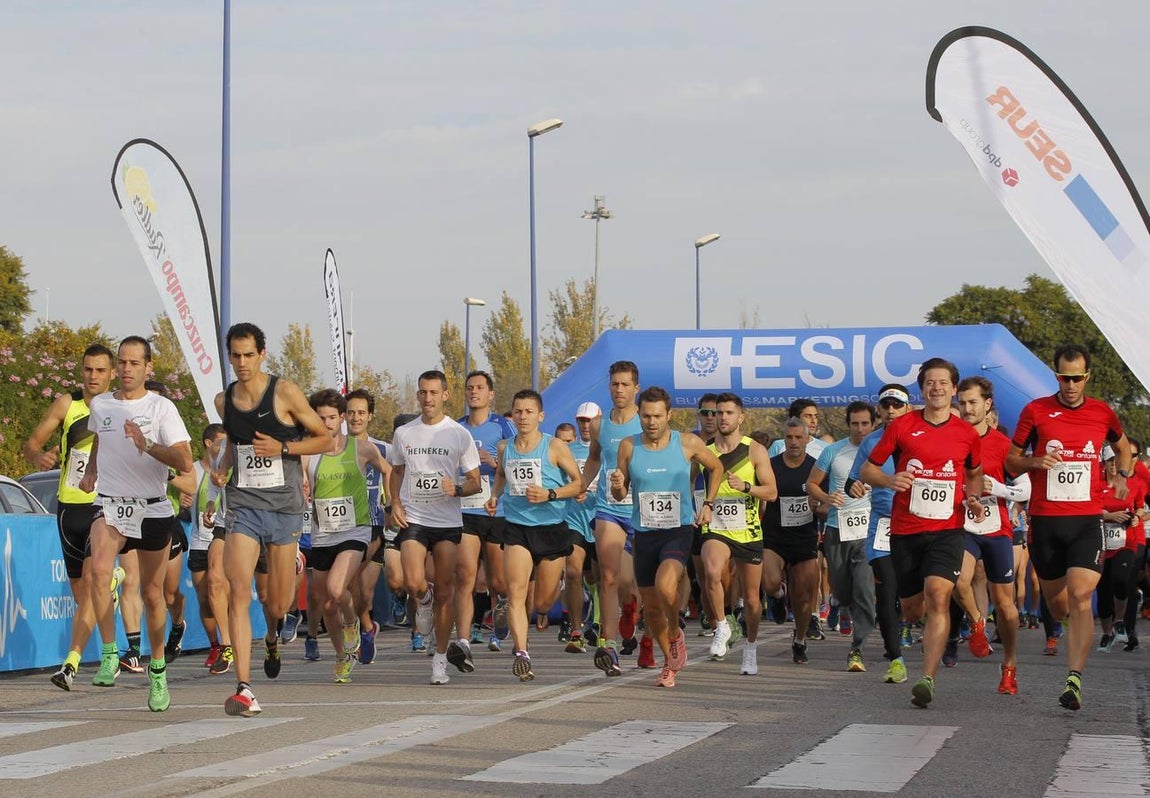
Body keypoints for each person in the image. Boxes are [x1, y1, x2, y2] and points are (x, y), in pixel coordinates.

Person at [1006, 344, 1133, 710]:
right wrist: (1034, 460)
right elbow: (1011, 462)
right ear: (1056, 375)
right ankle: (1059, 626)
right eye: (1064, 377)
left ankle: (1074, 678)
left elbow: (1122, 447)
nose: (1071, 384)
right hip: (1046, 522)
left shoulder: (1102, 412)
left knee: (1080, 596)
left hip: (1086, 521)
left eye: (1077, 378)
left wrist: (1122, 475)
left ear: (1087, 377)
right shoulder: (1036, 411)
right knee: (1058, 603)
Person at [213, 322, 331, 717]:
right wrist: (223, 467)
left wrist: (282, 445)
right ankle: (244, 687)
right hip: (243, 506)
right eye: (235, 355)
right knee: (237, 588)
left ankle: (272, 634)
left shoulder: (284, 392)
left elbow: (325, 439)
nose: (242, 363)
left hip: (283, 509)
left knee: (277, 603)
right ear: (228, 356)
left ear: (262, 354)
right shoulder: (223, 400)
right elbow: (234, 443)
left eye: (249, 355)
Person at [862, 357, 983, 709]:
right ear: (922, 388)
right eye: (930, 382)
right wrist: (889, 479)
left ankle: (927, 678)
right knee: (913, 608)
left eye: (943, 382)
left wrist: (972, 497)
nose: (937, 388)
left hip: (947, 530)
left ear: (954, 389)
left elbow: (974, 472)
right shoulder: (902, 427)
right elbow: (869, 470)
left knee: (939, 595)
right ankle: (914, 627)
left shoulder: (966, 434)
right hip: (906, 530)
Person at [80, 336, 193, 712]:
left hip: (152, 508)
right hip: (109, 504)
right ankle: (111, 652)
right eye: (122, 363)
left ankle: (157, 667)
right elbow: (99, 438)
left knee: (151, 594)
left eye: (134, 363)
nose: (127, 369)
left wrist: (146, 445)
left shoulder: (161, 407)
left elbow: (185, 460)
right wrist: (92, 470)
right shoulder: (102, 404)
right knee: (99, 571)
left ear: (148, 368)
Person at [613, 386, 723, 688]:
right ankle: (669, 663)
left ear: (669, 415)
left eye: (657, 416)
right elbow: (620, 492)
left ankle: (676, 634)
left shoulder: (687, 443)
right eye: (646, 416)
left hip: (678, 530)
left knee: (665, 586)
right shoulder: (628, 446)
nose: (651, 422)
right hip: (644, 533)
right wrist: (618, 484)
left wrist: (709, 505)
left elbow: (716, 467)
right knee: (651, 609)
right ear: (639, 416)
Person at [22, 343, 115, 690]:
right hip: (68, 506)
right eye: (88, 369)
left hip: (103, 506)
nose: (93, 376)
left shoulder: (119, 407)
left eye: (100, 370)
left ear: (111, 373)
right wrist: (37, 457)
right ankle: (112, 588)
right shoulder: (67, 404)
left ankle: (71, 663)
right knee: (83, 595)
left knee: (94, 580)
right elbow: (33, 442)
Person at [388, 370, 482, 685]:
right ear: (418, 395)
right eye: (422, 393)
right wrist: (395, 505)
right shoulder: (404, 433)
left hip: (447, 522)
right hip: (414, 517)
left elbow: (474, 481)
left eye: (433, 393)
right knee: (413, 582)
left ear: (445, 395)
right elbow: (396, 472)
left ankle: (439, 660)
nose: (427, 399)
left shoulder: (458, 434)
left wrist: (456, 488)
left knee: (446, 592)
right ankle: (421, 600)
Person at [485, 389, 585, 681]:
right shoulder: (505, 447)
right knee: (515, 592)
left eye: (529, 412)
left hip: (551, 528)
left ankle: (554, 590)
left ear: (540, 416)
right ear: (512, 415)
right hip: (516, 526)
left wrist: (550, 494)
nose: (523, 416)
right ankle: (521, 653)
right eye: (518, 411)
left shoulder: (554, 447)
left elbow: (578, 484)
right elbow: (502, 474)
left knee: (542, 603)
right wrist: (494, 496)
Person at [304, 389, 389, 682]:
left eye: (330, 417)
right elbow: (298, 483)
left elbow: (390, 471)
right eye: (320, 417)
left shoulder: (361, 449)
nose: (325, 423)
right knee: (327, 602)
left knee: (338, 589)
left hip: (356, 529)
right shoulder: (308, 451)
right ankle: (342, 655)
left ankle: (352, 622)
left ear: (341, 418)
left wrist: (393, 503)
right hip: (322, 534)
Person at [951, 376, 1028, 693]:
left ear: (987, 405)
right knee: (957, 579)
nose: (967, 409)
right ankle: (976, 621)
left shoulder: (1003, 445)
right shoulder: (950, 439)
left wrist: (996, 488)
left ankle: (1009, 666)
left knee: (1006, 605)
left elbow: (1024, 489)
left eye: (973, 403)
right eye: (963, 403)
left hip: (997, 529)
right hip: (963, 525)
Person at [699, 393, 777, 675]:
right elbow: (689, 484)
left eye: (728, 413)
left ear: (740, 417)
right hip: (716, 526)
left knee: (753, 599)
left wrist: (746, 487)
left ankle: (751, 647)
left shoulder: (754, 450)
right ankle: (721, 625)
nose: (721, 417)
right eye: (718, 413)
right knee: (711, 571)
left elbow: (772, 491)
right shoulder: (704, 450)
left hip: (747, 529)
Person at [846, 383, 914, 685]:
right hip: (884, 524)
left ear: (907, 409)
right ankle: (896, 656)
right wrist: (856, 486)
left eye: (896, 406)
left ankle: (916, 625)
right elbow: (852, 480)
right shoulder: (872, 441)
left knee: (917, 592)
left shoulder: (921, 436)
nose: (890, 411)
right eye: (885, 406)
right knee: (886, 590)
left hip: (920, 523)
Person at [579, 361, 643, 677]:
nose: (619, 390)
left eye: (625, 384)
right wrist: (580, 485)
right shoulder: (600, 426)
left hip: (641, 511)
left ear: (636, 388)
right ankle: (609, 645)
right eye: (615, 384)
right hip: (608, 509)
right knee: (608, 575)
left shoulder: (647, 424)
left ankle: (631, 609)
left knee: (632, 581)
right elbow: (593, 459)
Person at [806, 401, 878, 674]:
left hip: (869, 532)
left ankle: (857, 649)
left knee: (864, 589)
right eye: (855, 424)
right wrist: (827, 497)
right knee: (843, 588)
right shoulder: (833, 451)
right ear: (848, 424)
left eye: (865, 424)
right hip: (838, 529)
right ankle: (841, 604)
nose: (860, 429)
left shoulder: (882, 452)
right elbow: (811, 484)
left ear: (873, 424)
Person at [455, 371, 516, 659]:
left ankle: (502, 606)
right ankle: (464, 639)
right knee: (466, 575)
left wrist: (494, 461)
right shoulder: (455, 428)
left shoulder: (503, 426)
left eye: (479, 388)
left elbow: (519, 458)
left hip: (495, 508)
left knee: (497, 581)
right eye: (469, 388)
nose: (473, 392)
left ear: (491, 394)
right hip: (466, 510)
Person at [762, 417, 821, 663]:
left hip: (804, 539)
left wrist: (819, 506)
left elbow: (826, 505)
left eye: (799, 437)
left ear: (808, 438)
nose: (794, 442)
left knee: (803, 597)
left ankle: (799, 639)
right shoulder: (771, 465)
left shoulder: (816, 468)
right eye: (789, 437)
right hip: (774, 537)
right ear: (783, 439)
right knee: (770, 583)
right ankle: (777, 596)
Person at [343, 388, 392, 665]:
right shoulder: (335, 447)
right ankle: (365, 626)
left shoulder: (383, 448)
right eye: (351, 412)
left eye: (361, 412)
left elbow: (393, 472)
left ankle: (364, 626)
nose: (355, 417)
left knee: (366, 588)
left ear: (370, 416)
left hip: (375, 525)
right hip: (345, 525)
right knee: (352, 586)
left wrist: (391, 504)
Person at [188, 423, 233, 674]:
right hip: (206, 536)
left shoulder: (242, 452)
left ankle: (270, 636)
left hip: (243, 528)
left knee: (270, 598)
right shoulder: (200, 469)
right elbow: (211, 491)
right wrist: (208, 505)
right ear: (209, 444)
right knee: (207, 593)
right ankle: (219, 645)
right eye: (219, 442)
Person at [558, 403, 601, 653]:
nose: (586, 425)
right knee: (573, 573)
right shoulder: (566, 450)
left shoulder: (608, 448)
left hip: (601, 518)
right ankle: (576, 630)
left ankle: (599, 623)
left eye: (590, 420)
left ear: (599, 420)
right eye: (581, 421)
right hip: (573, 518)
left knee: (599, 577)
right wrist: (571, 491)